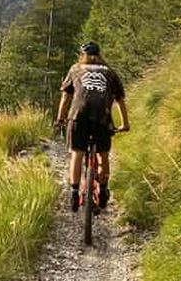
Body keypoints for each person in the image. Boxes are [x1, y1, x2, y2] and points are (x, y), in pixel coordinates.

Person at [55, 41, 129, 212]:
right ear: (99, 55)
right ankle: (103, 191)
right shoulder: (109, 71)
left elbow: (66, 97)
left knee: (77, 153)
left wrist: (61, 118)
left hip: (78, 116)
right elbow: (120, 100)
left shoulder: (76, 69)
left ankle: (74, 192)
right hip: (102, 117)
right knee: (103, 156)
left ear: (82, 56)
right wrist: (125, 123)